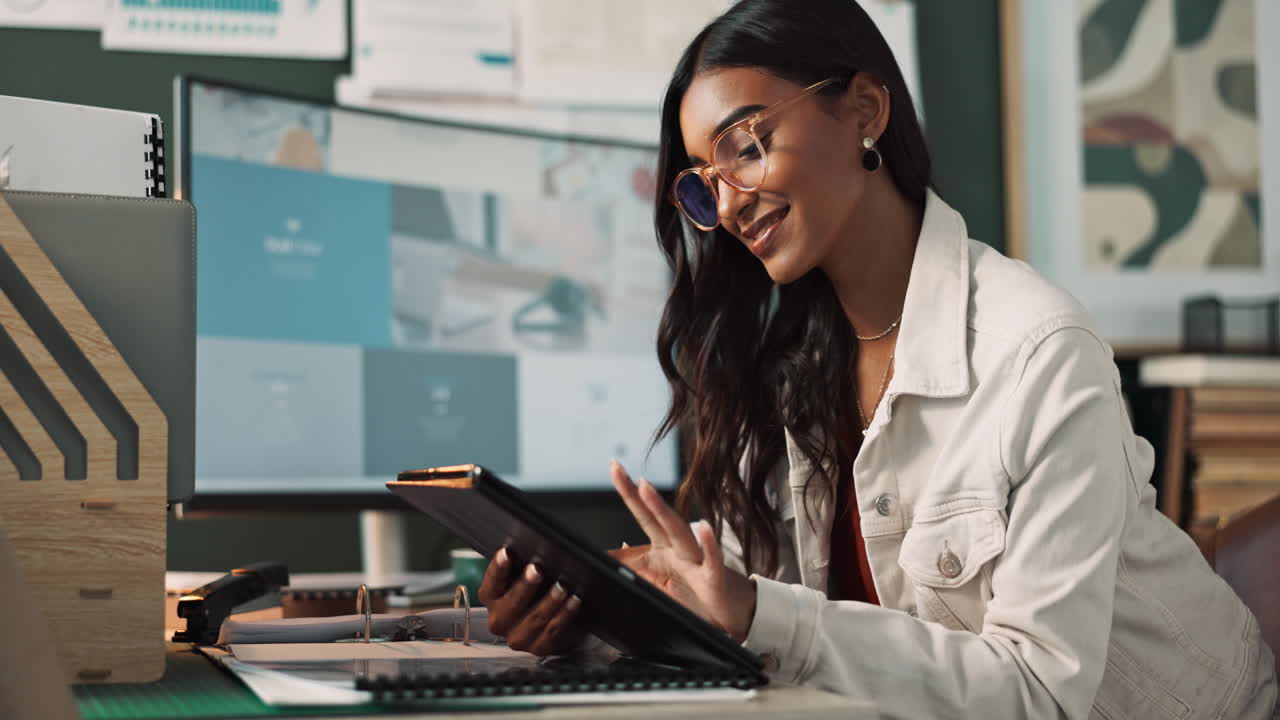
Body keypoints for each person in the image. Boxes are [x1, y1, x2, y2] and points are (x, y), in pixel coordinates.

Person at [478, 1, 1279, 716]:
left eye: (747, 145)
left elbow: (1037, 692)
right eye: (703, 185)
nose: (726, 207)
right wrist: (581, 626)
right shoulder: (786, 369)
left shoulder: (1040, 352)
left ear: (863, 108)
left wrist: (762, 614)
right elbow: (734, 629)